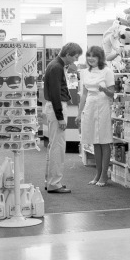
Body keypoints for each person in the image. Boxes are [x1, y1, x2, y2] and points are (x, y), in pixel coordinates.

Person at [43, 42, 82, 193]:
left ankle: (51, 181)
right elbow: (55, 94)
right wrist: (60, 117)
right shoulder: (56, 67)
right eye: (75, 57)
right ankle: (54, 183)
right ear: (68, 54)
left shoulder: (56, 65)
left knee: (54, 146)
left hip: (54, 108)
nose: (75, 60)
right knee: (58, 147)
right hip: (56, 108)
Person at [79, 44, 116, 186]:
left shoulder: (107, 71)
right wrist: (79, 112)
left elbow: (112, 93)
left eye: (94, 56)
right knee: (95, 140)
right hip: (90, 105)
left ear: (100, 57)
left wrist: (104, 89)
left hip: (102, 105)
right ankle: (97, 173)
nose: (91, 58)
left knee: (104, 140)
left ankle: (104, 175)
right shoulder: (85, 72)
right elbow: (84, 93)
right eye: (89, 55)